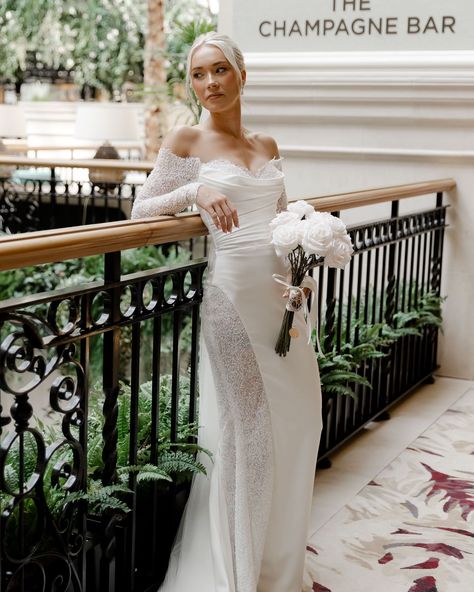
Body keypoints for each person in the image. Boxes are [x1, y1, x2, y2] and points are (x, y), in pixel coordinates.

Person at [131, 31, 322, 592]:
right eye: (198, 74)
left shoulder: (266, 143)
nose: (209, 82)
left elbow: (284, 221)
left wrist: (298, 278)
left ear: (243, 73)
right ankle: (237, 573)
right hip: (231, 303)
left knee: (301, 419)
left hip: (281, 304)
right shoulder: (187, 140)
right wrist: (195, 194)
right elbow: (141, 208)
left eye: (220, 70)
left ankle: (275, 562)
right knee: (250, 435)